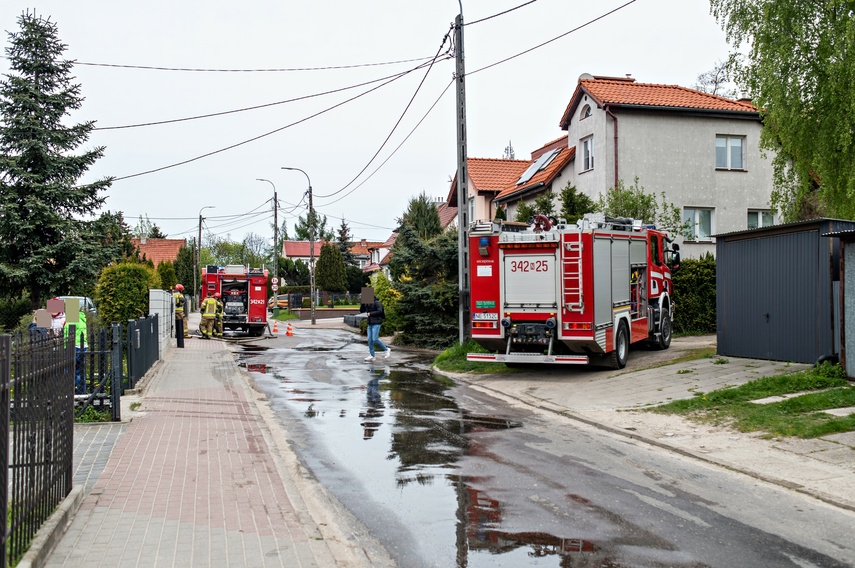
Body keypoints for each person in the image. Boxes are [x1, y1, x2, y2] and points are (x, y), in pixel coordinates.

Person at [360, 295, 391, 361]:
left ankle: (386, 349)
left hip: (376, 323)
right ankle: (372, 355)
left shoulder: (377, 303)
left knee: (375, 339)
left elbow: (380, 311)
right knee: (369, 340)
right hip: (370, 323)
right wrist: (362, 304)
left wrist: (370, 313)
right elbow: (361, 310)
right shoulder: (366, 304)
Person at [63, 308, 87, 394]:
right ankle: (81, 392)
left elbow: (68, 332)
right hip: (82, 346)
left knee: (69, 370)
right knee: (80, 370)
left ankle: (69, 392)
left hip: (73, 346)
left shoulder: (72, 320)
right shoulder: (81, 318)